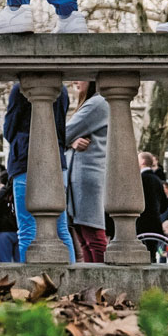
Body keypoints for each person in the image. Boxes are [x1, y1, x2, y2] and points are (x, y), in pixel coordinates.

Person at [2, 80, 75, 262]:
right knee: (61, 228)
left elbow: (9, 130)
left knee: (27, 228)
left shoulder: (20, 89)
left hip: (26, 159)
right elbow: (61, 130)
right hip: (56, 160)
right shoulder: (61, 90)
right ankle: (72, 273)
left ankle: (30, 277)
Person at [63, 81, 109, 263]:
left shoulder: (97, 103)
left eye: (79, 76)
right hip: (80, 178)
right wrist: (72, 143)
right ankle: (93, 278)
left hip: (87, 177)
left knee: (93, 235)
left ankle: (102, 278)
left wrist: (69, 141)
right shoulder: (92, 102)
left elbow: (61, 133)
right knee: (85, 238)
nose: (74, 81)